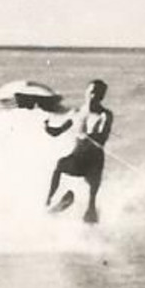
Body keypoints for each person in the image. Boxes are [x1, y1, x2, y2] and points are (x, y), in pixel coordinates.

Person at [44, 79, 114, 224]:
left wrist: (92, 135)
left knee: (91, 201)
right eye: (91, 92)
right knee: (60, 165)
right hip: (78, 157)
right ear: (86, 92)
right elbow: (58, 131)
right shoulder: (77, 113)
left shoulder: (105, 115)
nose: (94, 96)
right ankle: (50, 201)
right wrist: (49, 128)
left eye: (98, 94)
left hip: (94, 161)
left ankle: (92, 220)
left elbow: (103, 135)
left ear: (102, 96)